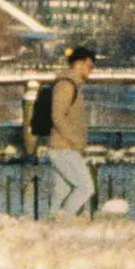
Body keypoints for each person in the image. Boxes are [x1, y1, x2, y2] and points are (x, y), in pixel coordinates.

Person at [35, 44, 96, 220]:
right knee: (85, 188)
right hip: (64, 147)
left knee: (61, 193)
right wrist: (75, 140)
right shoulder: (66, 85)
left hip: (63, 147)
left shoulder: (71, 85)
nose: (91, 71)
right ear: (80, 64)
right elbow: (57, 115)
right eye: (90, 66)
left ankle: (49, 230)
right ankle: (62, 221)